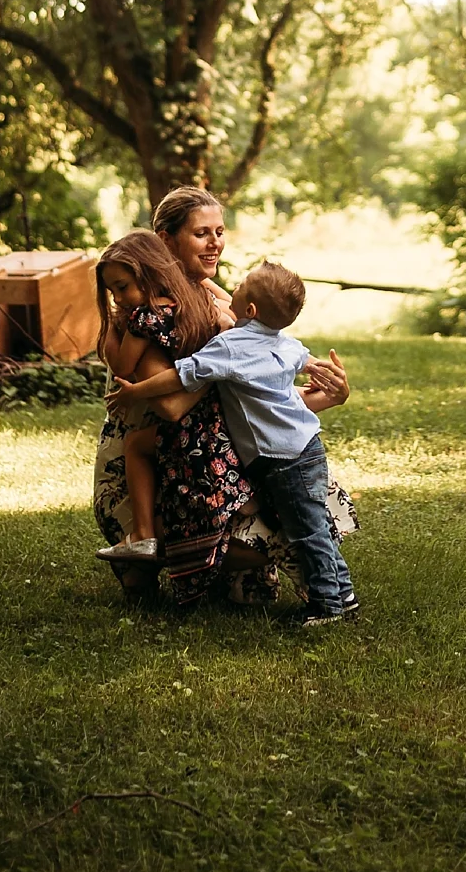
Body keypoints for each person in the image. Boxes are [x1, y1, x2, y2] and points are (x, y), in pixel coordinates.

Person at [91, 190, 350, 606]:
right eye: (200, 234)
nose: (214, 243)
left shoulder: (212, 297)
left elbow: (257, 401)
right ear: (165, 239)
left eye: (219, 231)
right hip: (164, 461)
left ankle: (309, 570)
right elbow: (174, 407)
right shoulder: (150, 313)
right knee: (279, 509)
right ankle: (145, 550)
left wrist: (326, 396)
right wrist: (233, 364)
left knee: (297, 492)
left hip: (207, 450)